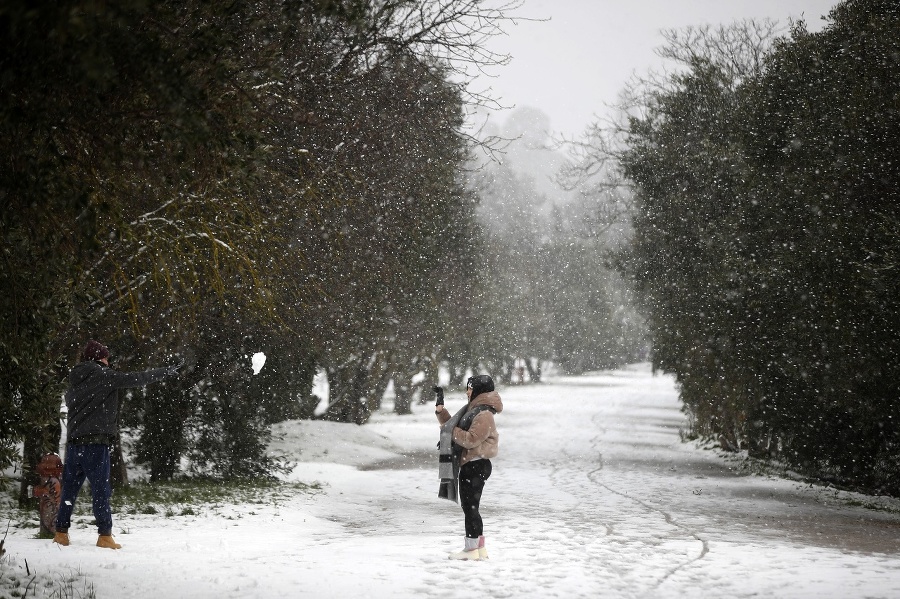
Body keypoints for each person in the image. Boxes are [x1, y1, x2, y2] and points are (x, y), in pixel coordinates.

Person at [53, 340, 182, 549]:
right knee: (100, 490)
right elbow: (136, 378)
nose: (108, 360)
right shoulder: (104, 375)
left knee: (69, 490)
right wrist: (164, 372)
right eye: (106, 357)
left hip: (75, 444)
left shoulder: (75, 380)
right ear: (99, 358)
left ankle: (61, 532)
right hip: (95, 444)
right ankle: (104, 535)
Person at [434, 374, 503, 560]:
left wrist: (448, 431)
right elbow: (457, 428)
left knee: (470, 508)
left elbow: (470, 439)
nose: (467, 392)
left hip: (476, 465)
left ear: (479, 390)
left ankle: (471, 549)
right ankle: (479, 549)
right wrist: (441, 412)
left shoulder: (484, 414)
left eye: (470, 388)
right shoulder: (474, 410)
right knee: (471, 507)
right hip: (473, 464)